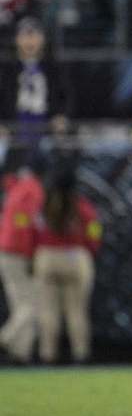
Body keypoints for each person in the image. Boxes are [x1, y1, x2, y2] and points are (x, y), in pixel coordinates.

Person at [31, 163, 101, 364]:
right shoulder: (83, 206)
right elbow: (94, 231)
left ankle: (47, 356)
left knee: (47, 311)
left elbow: (32, 231)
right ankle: (80, 356)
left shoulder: (43, 206)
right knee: (77, 311)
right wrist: (90, 249)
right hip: (76, 257)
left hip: (46, 257)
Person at [0, 152, 45, 363]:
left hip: (6, 249)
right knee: (31, 304)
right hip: (16, 251)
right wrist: (31, 251)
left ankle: (21, 353)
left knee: (20, 304)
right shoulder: (32, 188)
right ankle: (7, 338)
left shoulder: (18, 186)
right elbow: (28, 222)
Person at [0, 16, 71, 144]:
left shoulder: (54, 67)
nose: (29, 42)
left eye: (34, 36)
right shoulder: (6, 69)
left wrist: (61, 117)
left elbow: (67, 96)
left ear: (42, 39)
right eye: (25, 36)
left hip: (47, 128)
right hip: (13, 128)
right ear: (16, 40)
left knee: (63, 146)